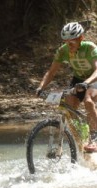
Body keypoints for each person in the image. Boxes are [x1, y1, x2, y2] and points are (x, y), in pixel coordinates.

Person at [36, 22, 97, 153]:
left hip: (93, 79)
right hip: (79, 80)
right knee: (68, 105)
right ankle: (82, 138)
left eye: (72, 42)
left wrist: (86, 83)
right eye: (66, 41)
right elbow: (51, 72)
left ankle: (94, 136)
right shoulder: (63, 51)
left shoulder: (90, 48)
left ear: (81, 38)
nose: (68, 45)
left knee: (88, 100)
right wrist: (40, 88)